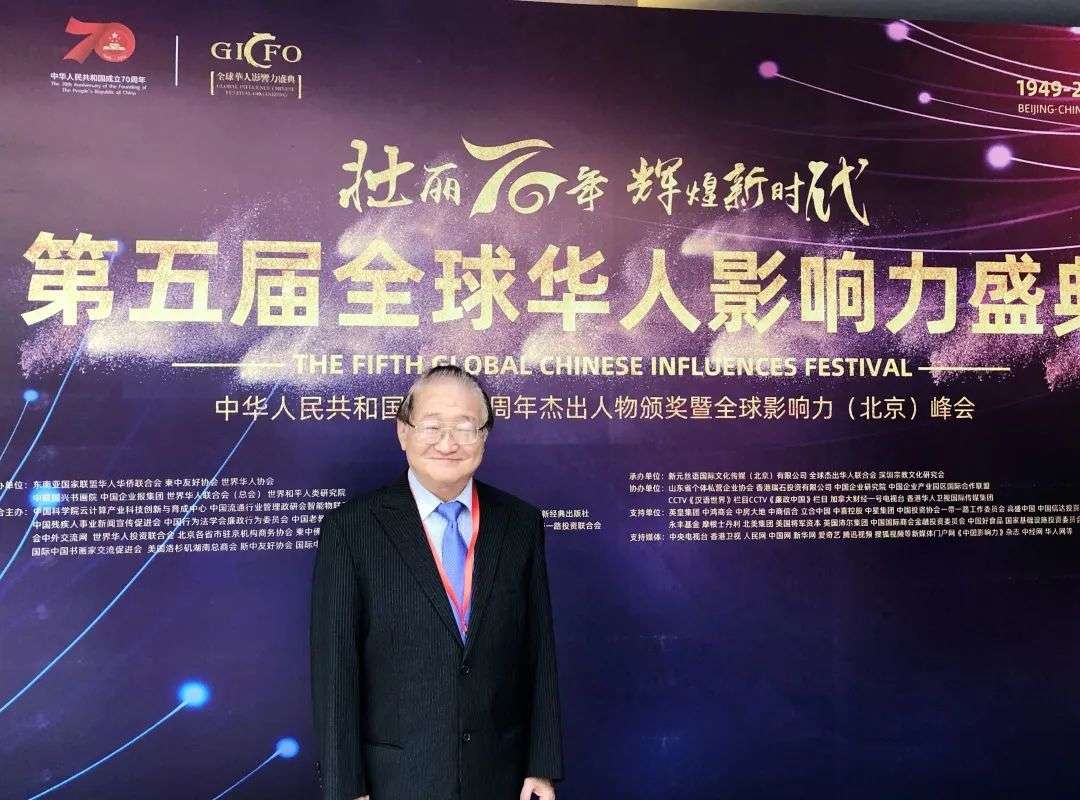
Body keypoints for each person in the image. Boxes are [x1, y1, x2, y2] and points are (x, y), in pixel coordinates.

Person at [310, 365, 563, 800]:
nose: (448, 443)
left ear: (484, 436)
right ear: (403, 432)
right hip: (396, 779)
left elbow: (538, 649)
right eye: (431, 426)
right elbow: (335, 670)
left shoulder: (519, 523)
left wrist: (542, 766)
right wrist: (346, 787)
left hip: (499, 776)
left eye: (465, 427)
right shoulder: (352, 528)